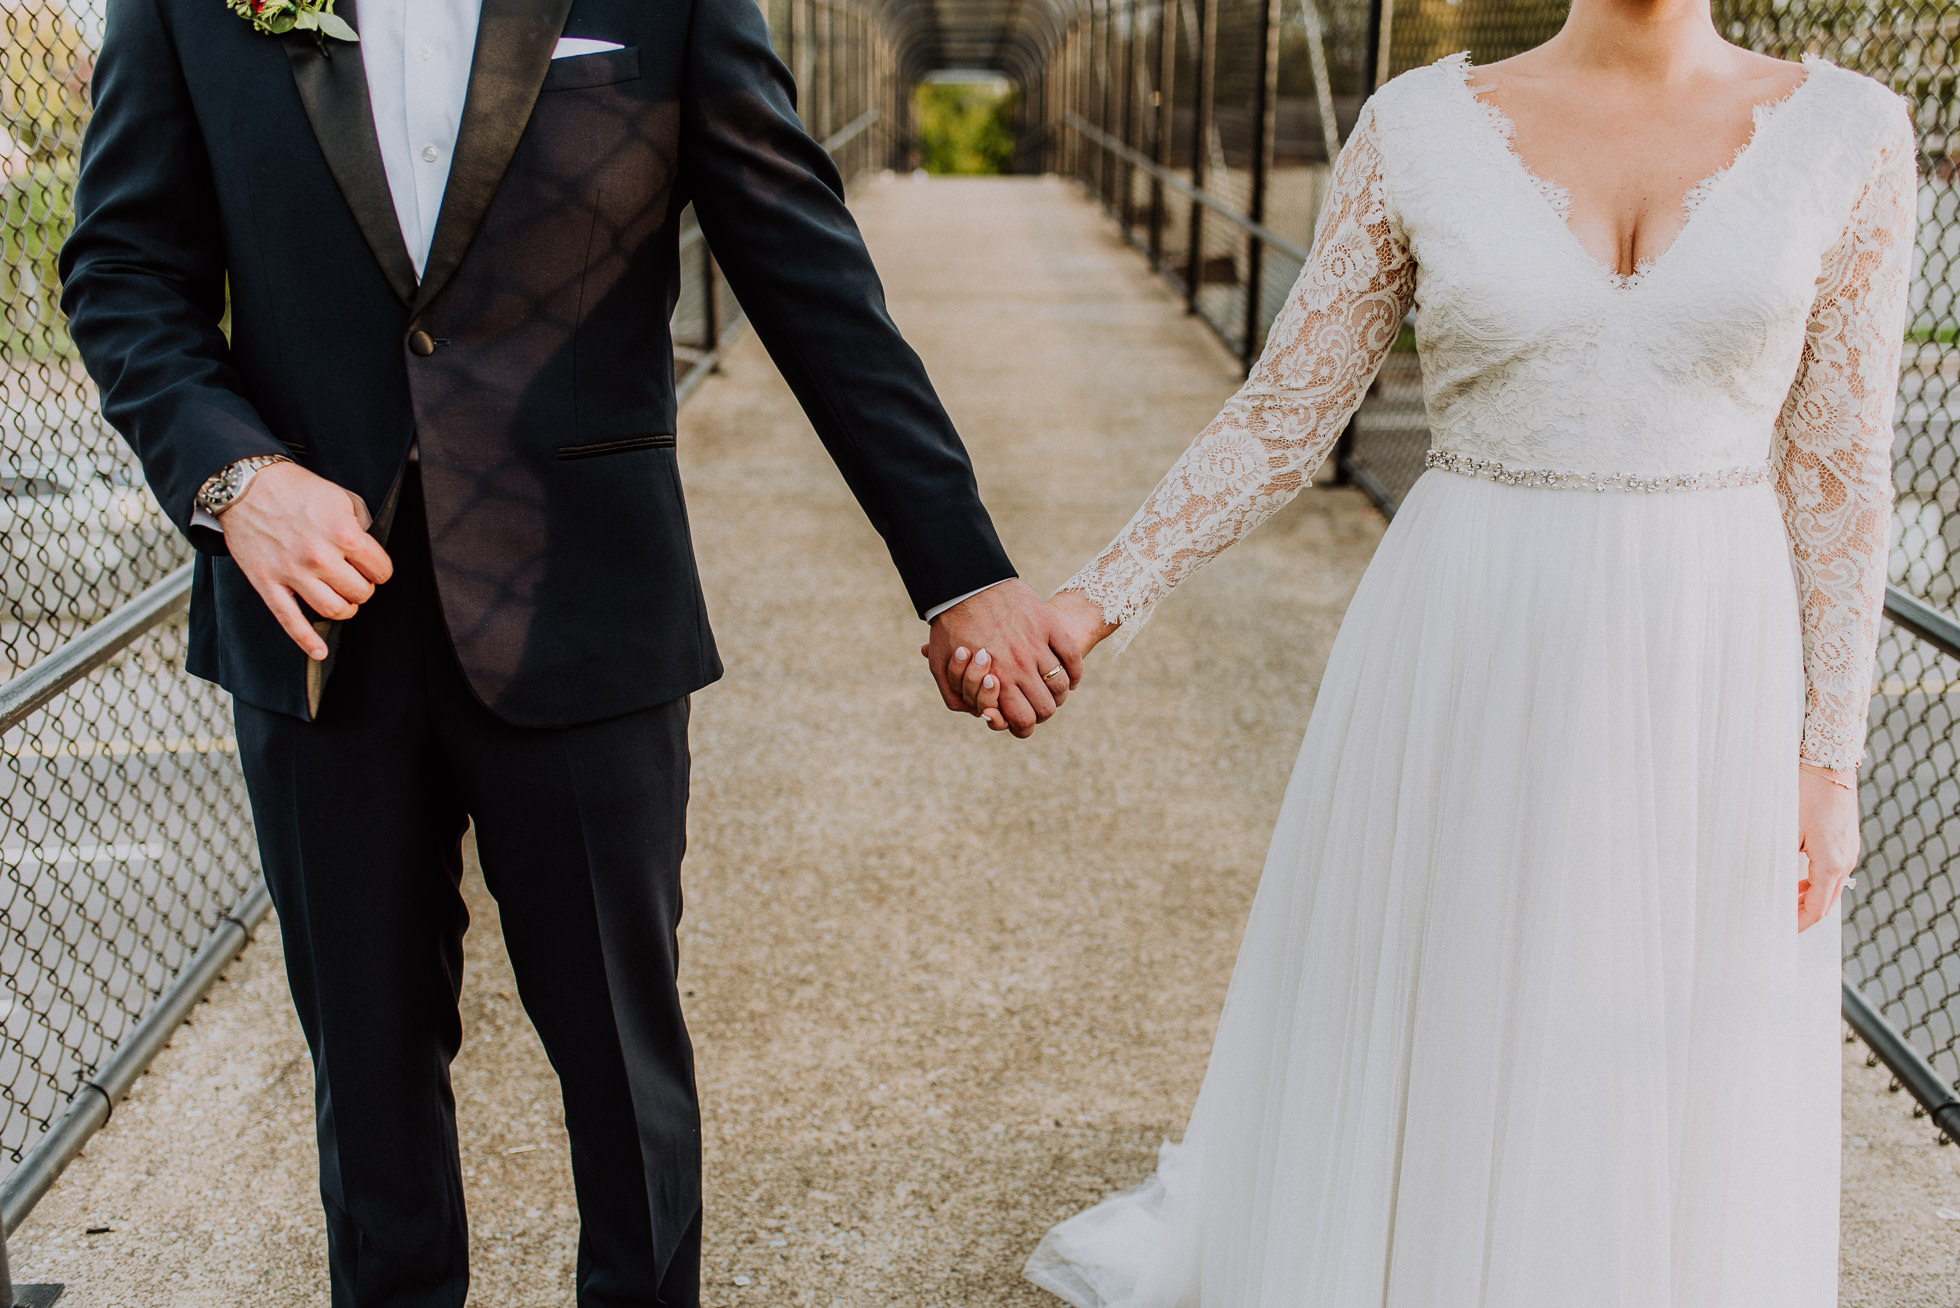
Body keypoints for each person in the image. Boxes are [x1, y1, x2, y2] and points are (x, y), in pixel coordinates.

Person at [58, 0, 1081, 1303]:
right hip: (314, 635)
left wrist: (963, 570)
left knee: (623, 1078)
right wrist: (234, 476)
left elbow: (809, 276)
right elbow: (123, 273)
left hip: (585, 607)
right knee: (366, 1091)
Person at [964, 0, 1914, 1302]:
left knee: (1666, 1038)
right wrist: (1091, 601)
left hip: (1714, 656)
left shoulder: (1853, 134)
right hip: (1465, 638)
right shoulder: (1416, 126)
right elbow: (1286, 417)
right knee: (1464, 996)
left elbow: (1843, 478)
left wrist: (1830, 759)